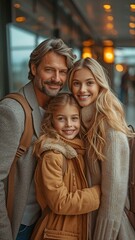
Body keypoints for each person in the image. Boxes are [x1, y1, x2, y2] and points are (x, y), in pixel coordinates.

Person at [0, 38, 76, 240]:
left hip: (42, 222)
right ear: (34, 68)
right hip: (19, 226)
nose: (57, 78)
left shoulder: (58, 108)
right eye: (49, 70)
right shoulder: (12, 112)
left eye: (62, 72)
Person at [68, 57, 135, 239]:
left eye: (89, 83)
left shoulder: (110, 129)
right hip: (86, 223)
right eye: (76, 83)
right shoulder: (79, 124)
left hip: (110, 231)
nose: (82, 90)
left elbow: (113, 199)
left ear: (100, 85)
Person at [31, 92, 100, 240]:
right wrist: (99, 193)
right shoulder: (53, 155)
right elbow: (60, 203)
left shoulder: (80, 149)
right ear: (51, 121)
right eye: (61, 119)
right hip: (57, 233)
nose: (69, 124)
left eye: (74, 118)